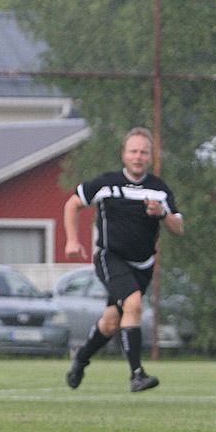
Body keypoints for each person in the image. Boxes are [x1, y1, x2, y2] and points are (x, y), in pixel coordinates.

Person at [62, 127, 184, 392]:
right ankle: (137, 374)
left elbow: (178, 228)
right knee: (134, 304)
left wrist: (162, 213)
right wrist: (72, 240)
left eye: (143, 152)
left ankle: (81, 357)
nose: (138, 156)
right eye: (133, 151)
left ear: (150, 157)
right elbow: (73, 203)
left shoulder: (159, 190)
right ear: (124, 155)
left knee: (111, 322)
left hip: (143, 266)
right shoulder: (107, 183)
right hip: (111, 258)